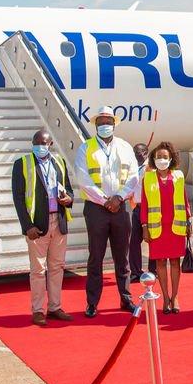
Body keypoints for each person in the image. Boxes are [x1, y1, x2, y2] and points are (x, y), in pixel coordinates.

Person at [75, 106, 140, 318]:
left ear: (114, 124)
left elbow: (133, 177)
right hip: (96, 208)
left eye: (108, 122)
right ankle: (92, 302)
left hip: (121, 207)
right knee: (96, 256)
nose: (105, 125)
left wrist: (119, 197)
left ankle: (126, 297)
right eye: (101, 122)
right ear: (95, 125)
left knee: (123, 257)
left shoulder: (125, 147)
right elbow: (83, 180)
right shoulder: (86, 148)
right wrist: (105, 201)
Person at [13, 131, 75, 327]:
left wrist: (69, 199)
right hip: (37, 224)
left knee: (57, 267)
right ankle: (38, 310)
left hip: (59, 220)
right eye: (36, 142)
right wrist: (27, 226)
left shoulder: (59, 162)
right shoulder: (22, 164)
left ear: (50, 144)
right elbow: (18, 198)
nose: (40, 146)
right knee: (38, 270)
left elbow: (68, 188)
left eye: (44, 143)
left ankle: (55, 307)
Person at [140, 142, 192, 313]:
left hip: (176, 226)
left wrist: (189, 221)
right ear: (154, 159)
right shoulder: (148, 178)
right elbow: (144, 204)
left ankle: (175, 297)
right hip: (157, 228)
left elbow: (184, 201)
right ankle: (165, 297)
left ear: (171, 159)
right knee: (160, 262)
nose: (161, 159)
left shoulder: (178, 176)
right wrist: (144, 226)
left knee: (175, 262)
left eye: (165, 157)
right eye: (159, 157)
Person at [129, 142, 150, 282]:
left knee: (152, 239)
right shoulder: (133, 168)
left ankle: (154, 270)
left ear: (146, 153)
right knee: (134, 241)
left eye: (139, 152)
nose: (137, 155)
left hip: (150, 209)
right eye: (135, 152)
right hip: (137, 208)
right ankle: (136, 272)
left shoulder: (151, 168)